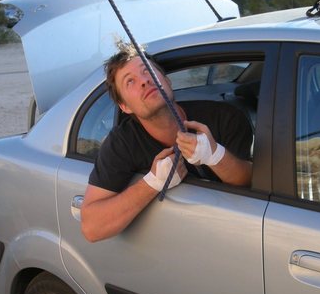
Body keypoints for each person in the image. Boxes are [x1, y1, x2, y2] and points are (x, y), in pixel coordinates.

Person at [81, 42, 253, 242]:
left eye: (147, 72)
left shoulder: (225, 118)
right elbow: (91, 228)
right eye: (130, 82)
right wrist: (152, 183)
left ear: (167, 81)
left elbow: (250, 182)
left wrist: (215, 155)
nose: (144, 82)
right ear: (125, 107)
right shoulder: (123, 143)